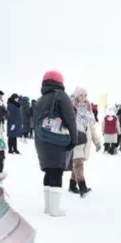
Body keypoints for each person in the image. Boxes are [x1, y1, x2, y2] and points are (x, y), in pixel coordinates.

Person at [32, 70, 77, 217]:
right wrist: (73, 139)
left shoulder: (41, 99)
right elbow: (70, 119)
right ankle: (54, 209)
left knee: (49, 171)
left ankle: (48, 206)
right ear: (60, 82)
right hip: (56, 140)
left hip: (41, 140)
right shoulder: (61, 96)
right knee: (57, 171)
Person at [69, 87, 102, 196]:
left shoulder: (88, 110)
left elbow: (91, 128)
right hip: (75, 141)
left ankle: (72, 185)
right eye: (81, 95)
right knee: (78, 164)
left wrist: (97, 142)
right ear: (76, 96)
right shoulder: (70, 108)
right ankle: (83, 188)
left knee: (78, 163)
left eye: (85, 95)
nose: (83, 97)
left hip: (85, 142)